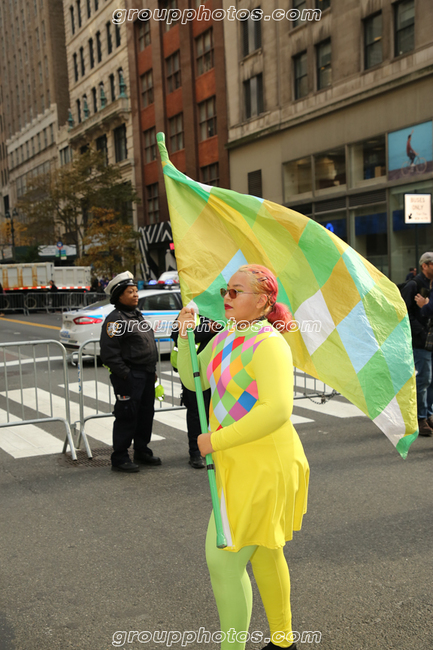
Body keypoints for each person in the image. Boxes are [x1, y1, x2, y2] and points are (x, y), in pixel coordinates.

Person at [176, 264, 309, 650]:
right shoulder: (226, 336)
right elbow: (193, 378)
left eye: (236, 292)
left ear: (264, 301)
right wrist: (183, 335)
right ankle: (284, 643)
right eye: (226, 291)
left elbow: (276, 410)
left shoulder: (269, 344)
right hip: (237, 462)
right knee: (265, 551)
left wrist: (214, 441)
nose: (227, 298)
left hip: (265, 464)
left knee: (224, 560)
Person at [100, 271, 162, 472]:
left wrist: (151, 370)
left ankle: (142, 450)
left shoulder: (136, 315)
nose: (136, 295)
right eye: (130, 292)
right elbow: (109, 354)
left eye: (136, 291)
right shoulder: (115, 320)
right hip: (130, 376)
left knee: (145, 414)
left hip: (146, 374)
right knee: (127, 416)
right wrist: (126, 374)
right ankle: (120, 457)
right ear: (119, 296)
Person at [171, 314, 220, 469]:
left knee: (217, 412)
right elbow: (176, 334)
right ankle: (195, 452)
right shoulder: (189, 312)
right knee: (197, 413)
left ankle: (215, 448)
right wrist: (209, 330)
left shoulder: (221, 312)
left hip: (219, 371)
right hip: (194, 371)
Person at [401, 252, 433, 436]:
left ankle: (428, 414)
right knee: (424, 379)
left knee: (431, 380)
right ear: (424, 265)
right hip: (421, 340)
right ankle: (420, 418)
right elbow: (404, 312)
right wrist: (420, 331)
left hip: (430, 338)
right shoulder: (413, 285)